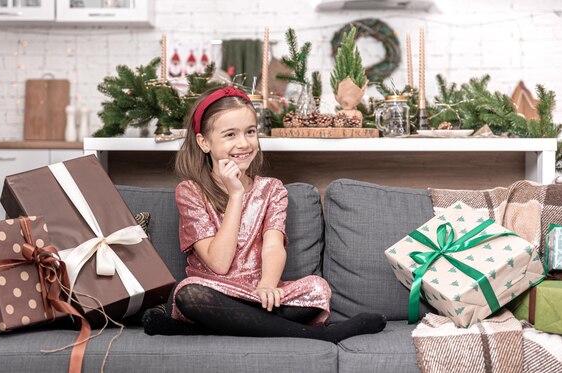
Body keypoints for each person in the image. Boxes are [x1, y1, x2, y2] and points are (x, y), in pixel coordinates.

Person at [143, 86, 386, 343]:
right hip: (214, 292)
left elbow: (272, 246)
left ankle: (200, 329)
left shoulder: (272, 189)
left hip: (259, 294)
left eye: (250, 132)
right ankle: (321, 335)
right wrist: (236, 195)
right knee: (189, 294)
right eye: (229, 135)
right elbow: (219, 264)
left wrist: (268, 285)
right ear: (204, 142)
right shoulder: (190, 191)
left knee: (318, 289)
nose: (244, 143)